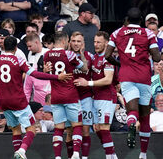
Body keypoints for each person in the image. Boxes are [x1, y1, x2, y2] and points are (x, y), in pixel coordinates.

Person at [105, 7, 160, 159]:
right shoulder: (148, 33)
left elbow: (107, 55)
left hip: (126, 75)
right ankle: (143, 154)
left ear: (127, 20)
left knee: (132, 111)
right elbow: (156, 58)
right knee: (145, 117)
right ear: (141, 20)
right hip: (143, 76)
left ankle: (130, 122)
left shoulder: (117, 33)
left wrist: (119, 63)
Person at [43, 31, 88, 159]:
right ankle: (75, 153)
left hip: (56, 96)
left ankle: (57, 156)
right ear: (64, 41)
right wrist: (82, 54)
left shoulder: (47, 54)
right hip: (70, 95)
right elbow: (84, 68)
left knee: (58, 128)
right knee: (77, 125)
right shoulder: (69, 54)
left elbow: (45, 71)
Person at [74, 31, 118, 159]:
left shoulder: (108, 58)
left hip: (107, 96)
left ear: (106, 43)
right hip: (96, 97)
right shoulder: (94, 57)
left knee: (104, 128)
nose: (96, 44)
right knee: (98, 128)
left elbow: (108, 79)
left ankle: (111, 156)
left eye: (99, 42)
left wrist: (88, 83)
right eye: (94, 42)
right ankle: (112, 154)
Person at [65, 31, 94, 159]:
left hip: (86, 97)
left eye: (79, 41)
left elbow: (87, 69)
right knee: (70, 131)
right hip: (70, 98)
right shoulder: (65, 56)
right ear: (70, 42)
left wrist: (81, 54)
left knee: (85, 129)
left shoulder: (89, 56)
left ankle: (85, 157)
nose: (76, 44)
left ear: (83, 44)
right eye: (74, 41)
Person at [24, 33, 50, 105]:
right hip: (35, 91)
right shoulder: (30, 54)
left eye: (30, 46)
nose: (28, 49)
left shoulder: (48, 53)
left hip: (48, 90)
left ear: (36, 42)